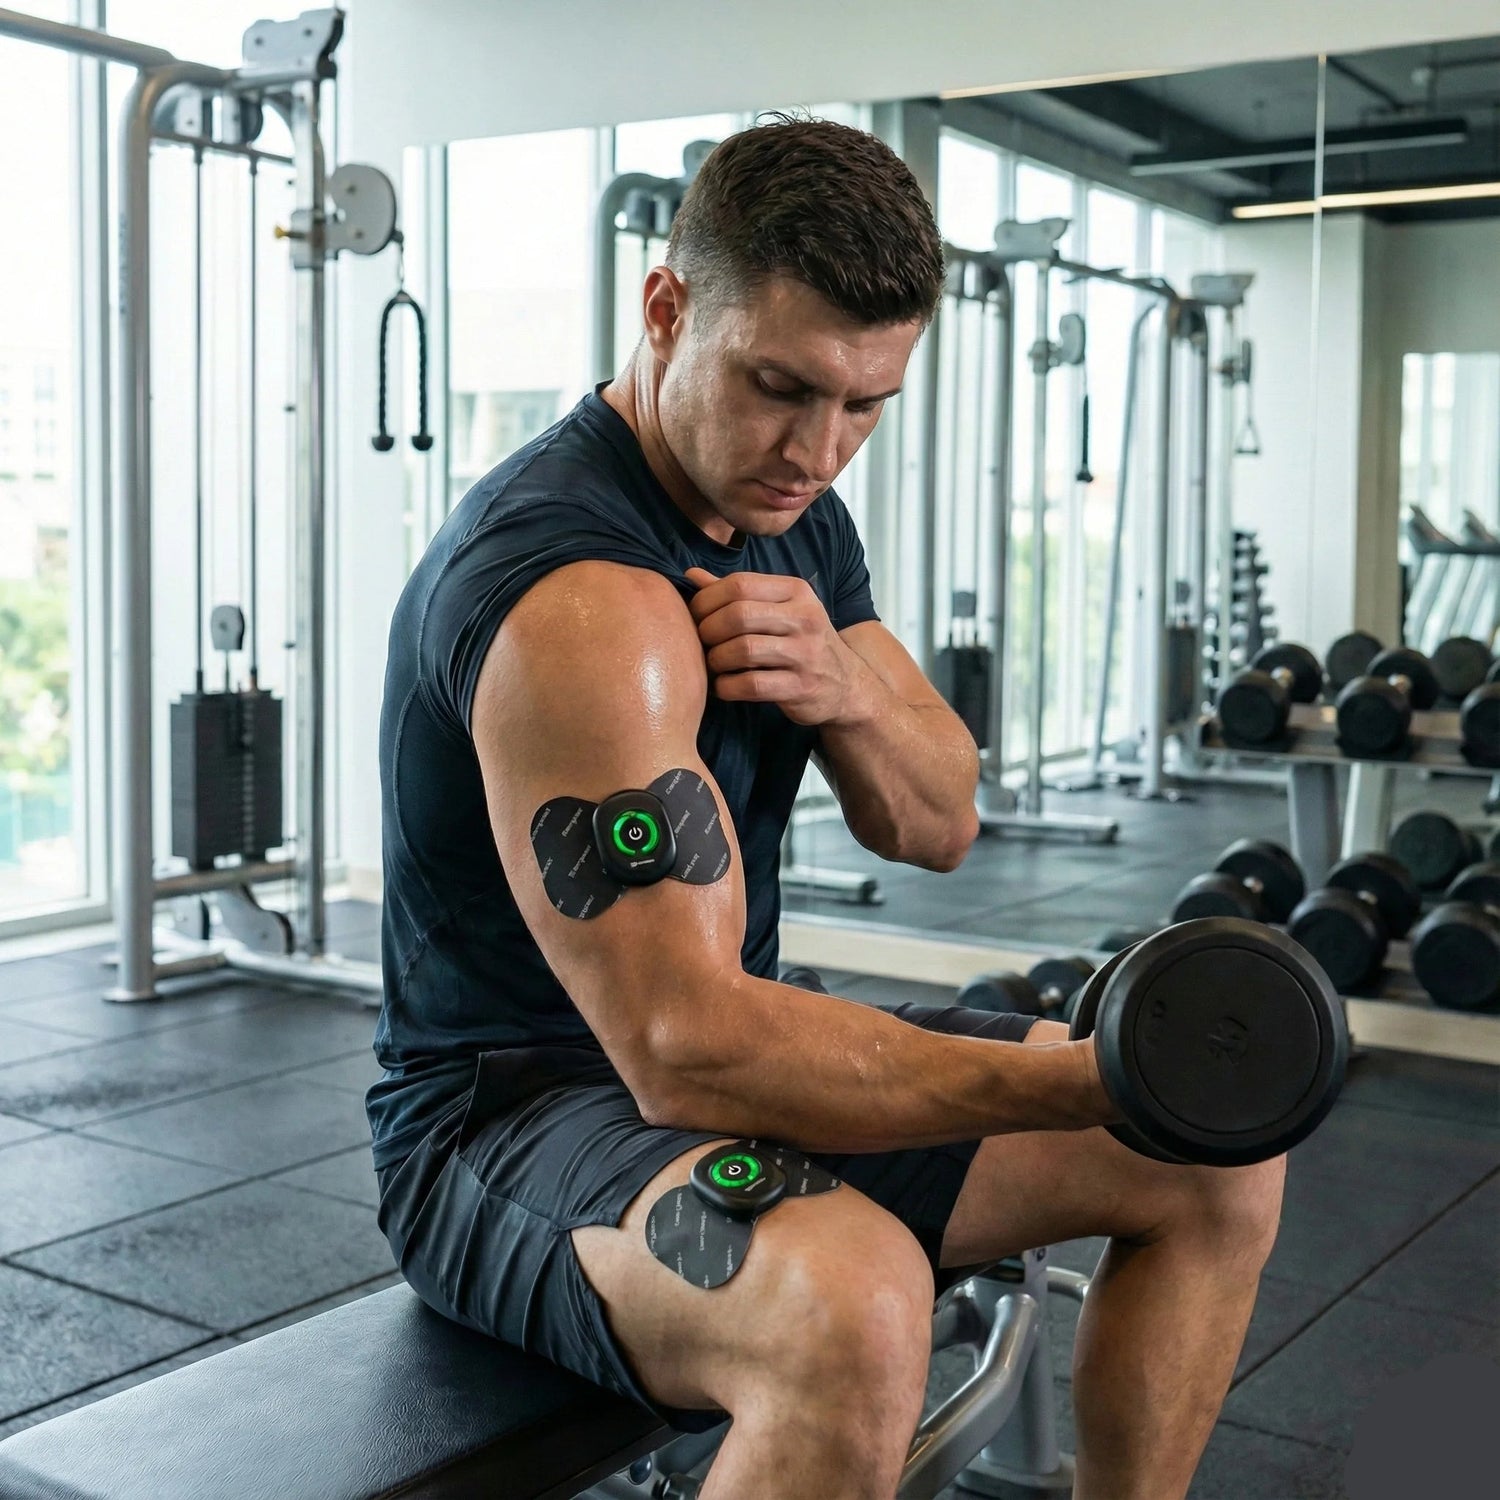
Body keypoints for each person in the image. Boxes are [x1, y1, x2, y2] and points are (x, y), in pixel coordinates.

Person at [368, 115, 1284, 1500]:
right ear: (666, 308)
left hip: (698, 1090)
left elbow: (938, 821)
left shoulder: (788, 513)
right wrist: (1083, 1076)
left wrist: (846, 687)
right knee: (850, 1305)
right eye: (780, 386)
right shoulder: (576, 601)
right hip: (506, 1129)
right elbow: (687, 1053)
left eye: (864, 405)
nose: (818, 449)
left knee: (1212, 1164)